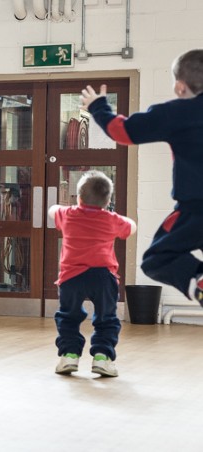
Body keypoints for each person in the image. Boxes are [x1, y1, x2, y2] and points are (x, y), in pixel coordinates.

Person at [82, 50, 203, 306]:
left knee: (158, 259)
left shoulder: (178, 112)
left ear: (180, 87)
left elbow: (123, 131)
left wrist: (98, 107)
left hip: (196, 209)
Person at [49, 171, 136, 377]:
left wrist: (64, 206)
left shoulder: (68, 214)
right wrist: (119, 217)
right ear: (107, 201)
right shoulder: (111, 219)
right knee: (107, 318)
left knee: (68, 316)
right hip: (103, 276)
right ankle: (102, 358)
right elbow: (131, 227)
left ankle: (69, 355)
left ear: (79, 197)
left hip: (71, 277)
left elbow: (52, 210)